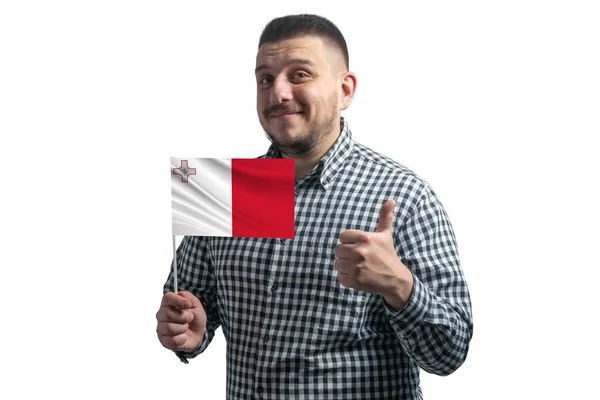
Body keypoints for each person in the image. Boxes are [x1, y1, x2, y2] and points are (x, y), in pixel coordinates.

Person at [156, 14, 473, 400]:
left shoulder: (403, 196)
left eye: (300, 74)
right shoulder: (231, 189)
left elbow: (450, 352)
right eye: (265, 79)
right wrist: (190, 330)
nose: (278, 94)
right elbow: (191, 306)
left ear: (345, 90)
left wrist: (399, 286)